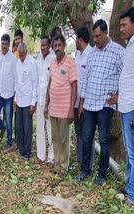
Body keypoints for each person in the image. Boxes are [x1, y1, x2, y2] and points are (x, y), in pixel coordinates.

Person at [76, 19, 124, 185]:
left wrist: (119, 96)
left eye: (97, 36)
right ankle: (85, 170)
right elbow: (87, 78)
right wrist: (81, 103)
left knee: (103, 140)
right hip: (89, 103)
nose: (95, 40)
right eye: (93, 37)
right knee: (87, 137)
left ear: (106, 33)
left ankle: (102, 174)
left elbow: (126, 77)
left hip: (105, 105)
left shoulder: (119, 52)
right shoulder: (92, 52)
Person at [44, 35, 77, 178]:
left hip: (65, 110)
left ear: (64, 46)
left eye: (59, 45)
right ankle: (56, 165)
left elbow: (74, 85)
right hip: (54, 109)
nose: (57, 48)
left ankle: (64, 168)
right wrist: (46, 103)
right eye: (55, 46)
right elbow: (50, 83)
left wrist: (71, 109)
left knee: (64, 140)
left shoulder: (70, 62)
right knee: (55, 139)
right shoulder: (52, 63)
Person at [118, 6, 134, 205]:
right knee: (130, 150)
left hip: (132, 108)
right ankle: (129, 185)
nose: (121, 28)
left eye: (124, 24)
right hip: (125, 106)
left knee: (132, 151)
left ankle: (132, 195)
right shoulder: (129, 45)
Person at [74, 27, 94, 170]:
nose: (75, 41)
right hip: (75, 101)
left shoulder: (91, 54)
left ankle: (88, 165)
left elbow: (90, 81)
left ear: (80, 39)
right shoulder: (77, 54)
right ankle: (81, 162)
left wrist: (83, 103)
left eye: (76, 38)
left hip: (87, 103)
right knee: (79, 133)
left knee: (88, 135)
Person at [0, 34, 16, 151]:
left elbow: (15, 77)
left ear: (9, 44)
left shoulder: (13, 58)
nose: (4, 46)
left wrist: (15, 94)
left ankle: (9, 142)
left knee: (9, 119)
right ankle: (3, 128)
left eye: (6, 44)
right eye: (2, 44)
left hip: (9, 94)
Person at [14, 42, 38, 160]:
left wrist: (33, 103)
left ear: (26, 52)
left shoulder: (32, 63)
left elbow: (35, 84)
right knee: (19, 126)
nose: (21, 58)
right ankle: (21, 149)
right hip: (19, 100)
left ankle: (27, 152)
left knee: (27, 128)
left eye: (23, 55)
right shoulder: (17, 63)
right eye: (20, 55)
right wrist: (15, 99)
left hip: (28, 101)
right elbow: (16, 82)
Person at [36, 36, 55, 164]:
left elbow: (52, 81)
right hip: (40, 99)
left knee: (50, 128)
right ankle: (40, 156)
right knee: (39, 128)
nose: (43, 47)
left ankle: (51, 158)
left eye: (45, 45)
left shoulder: (53, 59)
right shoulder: (38, 59)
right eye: (41, 45)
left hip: (50, 100)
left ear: (49, 45)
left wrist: (48, 101)